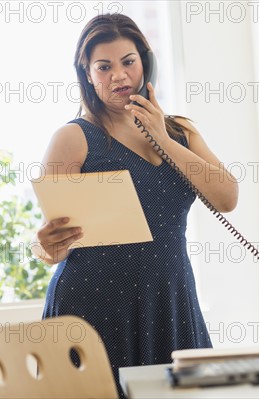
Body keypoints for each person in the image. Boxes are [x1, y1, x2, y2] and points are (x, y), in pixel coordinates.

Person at [32, 13, 238, 396]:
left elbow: (227, 197)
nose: (119, 76)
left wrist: (162, 134)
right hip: (94, 304)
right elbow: (49, 244)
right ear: (88, 74)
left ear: (146, 62)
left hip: (169, 298)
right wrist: (44, 246)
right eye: (104, 67)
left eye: (128, 62)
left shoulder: (181, 131)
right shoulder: (73, 138)